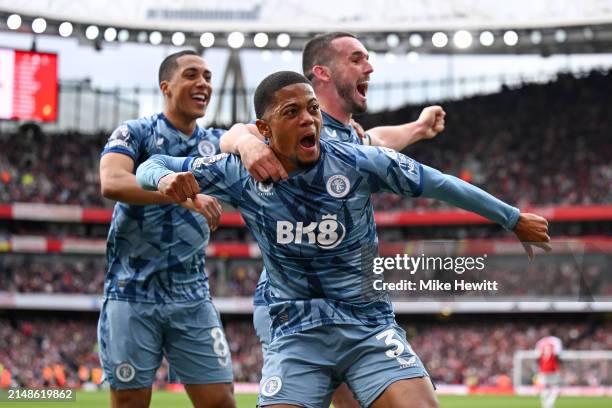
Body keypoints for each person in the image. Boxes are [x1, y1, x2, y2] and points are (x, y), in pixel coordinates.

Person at [136, 71, 551, 407]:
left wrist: (511, 218)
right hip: (296, 333)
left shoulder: (355, 161)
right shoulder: (239, 171)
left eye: (313, 109)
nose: (308, 120)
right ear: (263, 128)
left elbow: (438, 183)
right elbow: (150, 164)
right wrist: (167, 178)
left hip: (368, 327)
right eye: (292, 111)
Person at [219, 32, 445, 407]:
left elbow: (378, 142)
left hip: (348, 302)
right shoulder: (284, 127)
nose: (368, 67)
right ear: (321, 73)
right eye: (356, 60)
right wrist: (244, 142)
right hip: (299, 306)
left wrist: (419, 128)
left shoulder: (343, 135)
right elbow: (235, 133)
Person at [98, 50, 235, 408]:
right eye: (192, 75)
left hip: (192, 296)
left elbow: (258, 138)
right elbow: (111, 181)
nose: (203, 83)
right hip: (132, 291)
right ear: (166, 86)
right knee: (129, 402)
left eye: (207, 76)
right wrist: (180, 196)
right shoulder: (136, 132)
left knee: (221, 401)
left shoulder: (217, 143)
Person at [535, 336, 563, 408]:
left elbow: (537, 357)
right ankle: (549, 404)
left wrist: (539, 368)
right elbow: (557, 355)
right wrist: (560, 367)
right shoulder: (556, 341)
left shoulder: (540, 343)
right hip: (552, 369)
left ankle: (546, 405)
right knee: (556, 387)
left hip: (543, 369)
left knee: (544, 388)